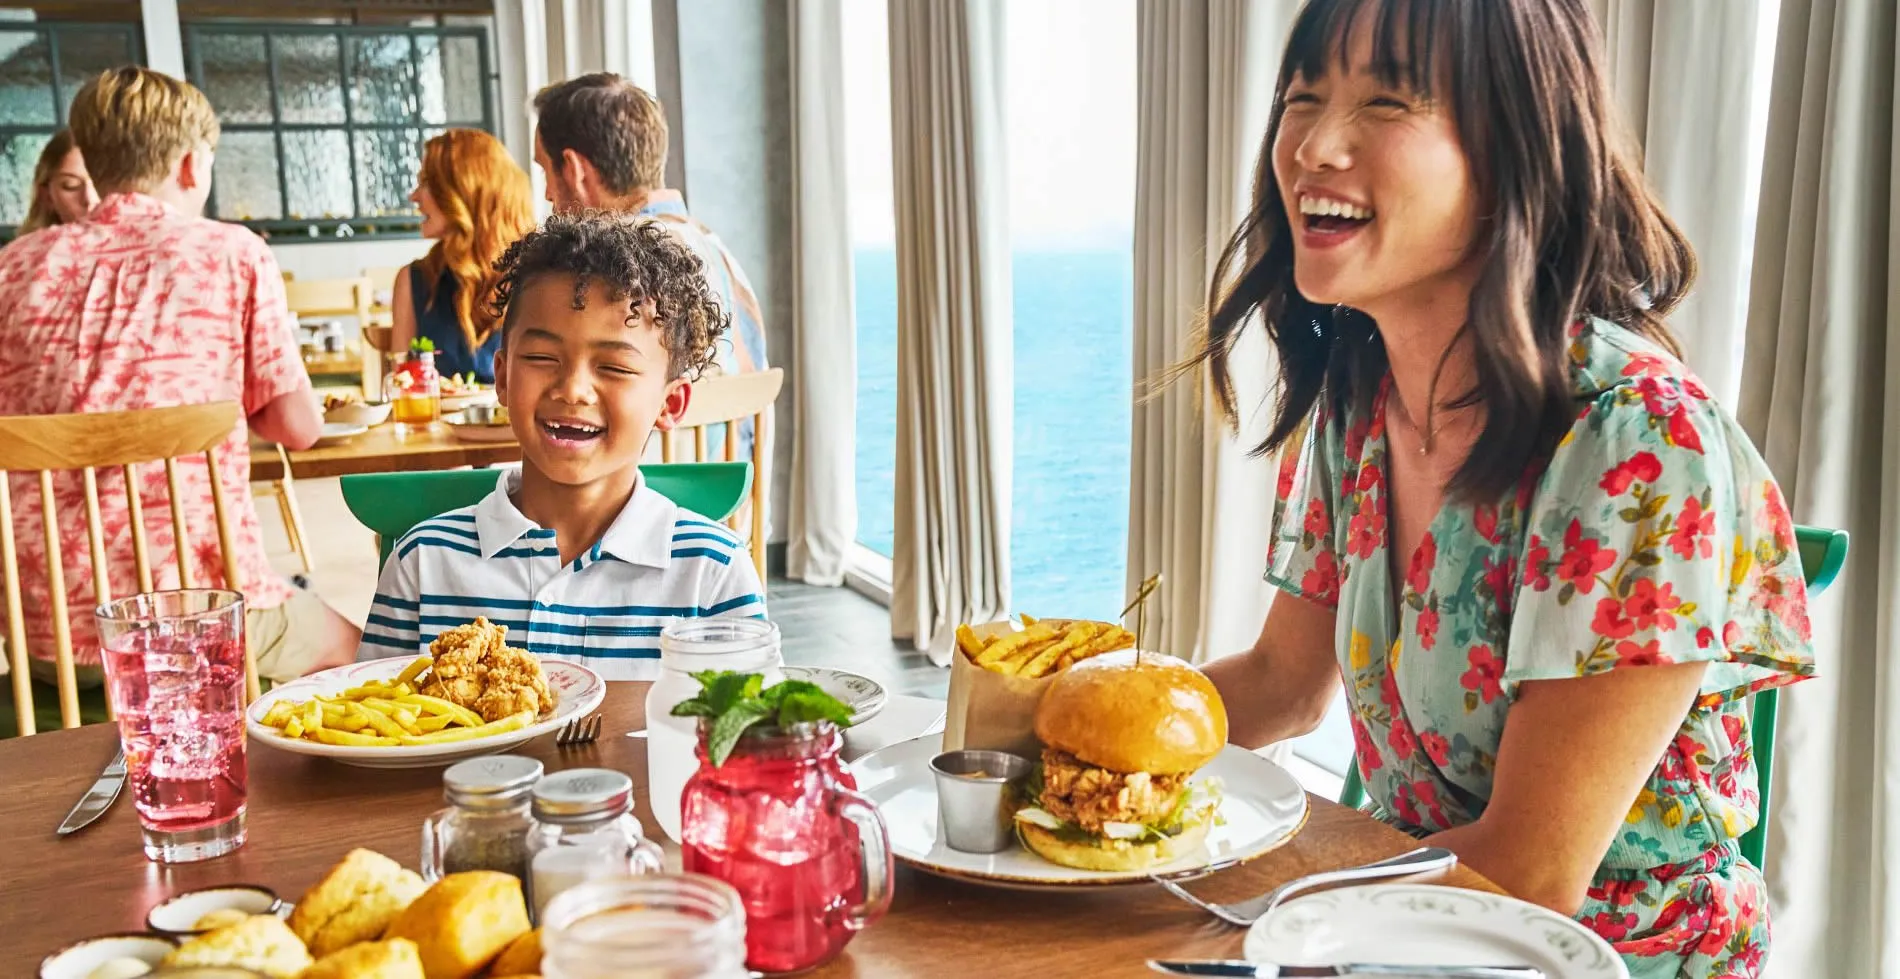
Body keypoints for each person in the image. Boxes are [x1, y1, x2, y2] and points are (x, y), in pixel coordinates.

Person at [1187, 2, 1812, 976]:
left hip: (1601, 956)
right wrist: (1062, 717)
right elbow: (1279, 685)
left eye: (1385, 101)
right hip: (1387, 934)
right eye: (1301, 98)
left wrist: (1234, 922)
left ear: (1515, 147)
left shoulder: (1638, 439)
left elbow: (1528, 870)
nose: (1313, 143)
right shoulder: (1358, 406)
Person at [0, 67, 361, 694]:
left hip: (42, 631)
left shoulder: (12, 268)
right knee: (357, 645)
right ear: (193, 166)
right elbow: (300, 428)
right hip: (197, 623)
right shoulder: (232, 254)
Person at [357, 214, 766, 680]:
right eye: (541, 358)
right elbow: (370, 732)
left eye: (614, 367)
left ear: (670, 403)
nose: (573, 389)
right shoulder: (423, 562)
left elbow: (747, 743)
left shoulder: (712, 574)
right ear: (505, 378)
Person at [529, 73, 769, 467]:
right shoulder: (717, 251)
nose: (548, 195)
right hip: (732, 507)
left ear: (573, 169)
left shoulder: (611, 268)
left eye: (545, 172)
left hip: (643, 508)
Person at [390, 129, 536, 384]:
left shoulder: (535, 277)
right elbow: (405, 388)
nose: (414, 197)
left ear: (466, 191)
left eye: (427, 183)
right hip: (440, 425)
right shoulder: (413, 280)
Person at [18, 130, 98, 234]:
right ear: (47, 196)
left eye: (99, 184)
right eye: (71, 185)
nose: (89, 199)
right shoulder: (26, 249)